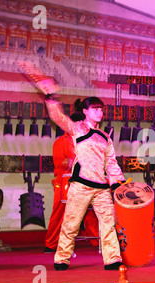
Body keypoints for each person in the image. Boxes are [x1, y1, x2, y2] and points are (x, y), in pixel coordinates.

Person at [40, 79, 126, 270]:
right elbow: (59, 119)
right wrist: (51, 100)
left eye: (101, 109)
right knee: (71, 224)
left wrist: (117, 183)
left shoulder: (105, 137)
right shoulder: (78, 128)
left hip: (102, 188)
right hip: (81, 185)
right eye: (95, 108)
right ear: (85, 111)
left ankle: (112, 258)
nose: (99, 112)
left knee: (108, 223)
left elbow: (111, 162)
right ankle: (61, 258)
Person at [44, 112, 99, 253]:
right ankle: (51, 244)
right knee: (60, 213)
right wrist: (74, 161)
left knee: (90, 212)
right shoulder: (61, 142)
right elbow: (60, 164)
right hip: (65, 181)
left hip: (85, 180)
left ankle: (96, 241)